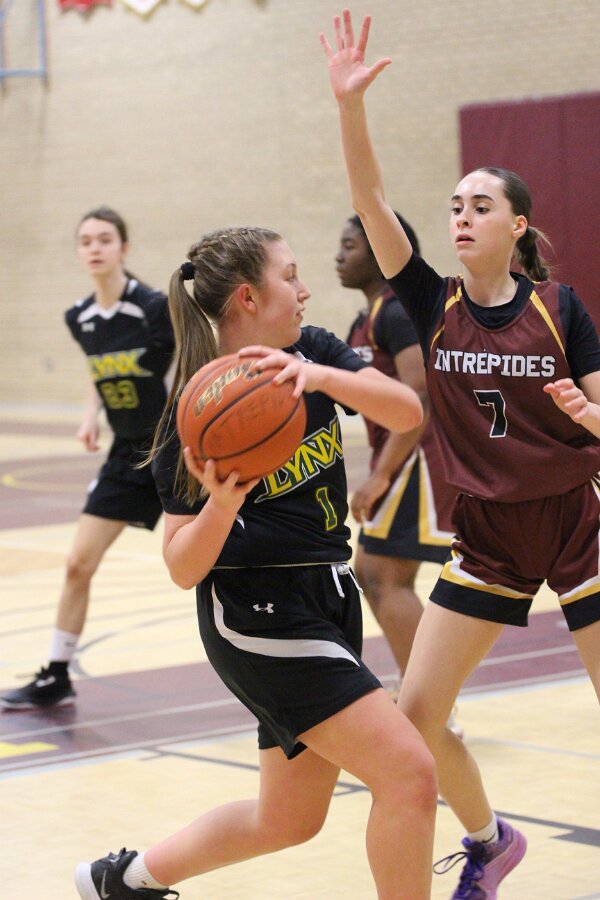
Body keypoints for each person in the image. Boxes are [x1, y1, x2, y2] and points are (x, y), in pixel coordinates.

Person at [321, 10, 600, 898]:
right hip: (487, 539)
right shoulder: (429, 301)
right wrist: (350, 107)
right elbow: (373, 202)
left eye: (482, 205)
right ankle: (489, 840)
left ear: (518, 225)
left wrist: (587, 412)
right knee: (416, 716)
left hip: (579, 526)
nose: (463, 215)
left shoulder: (561, 308)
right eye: (455, 205)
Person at [74, 225, 437, 900]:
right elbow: (182, 567)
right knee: (409, 774)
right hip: (257, 617)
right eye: (290, 276)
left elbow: (407, 409)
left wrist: (320, 377)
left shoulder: (314, 351)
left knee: (288, 819)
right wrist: (219, 504)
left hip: (329, 594)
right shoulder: (194, 413)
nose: (305, 290)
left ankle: (124, 881)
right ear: (248, 297)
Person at [1, 207, 174, 710]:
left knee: (218, 563)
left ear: (124, 247)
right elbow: (104, 370)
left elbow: (185, 365)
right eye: (86, 241)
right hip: (126, 451)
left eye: (104, 239)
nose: (94, 248)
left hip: (174, 447)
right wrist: (91, 413)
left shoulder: (153, 307)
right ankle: (57, 675)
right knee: (78, 563)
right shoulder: (78, 317)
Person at [337, 212, 456, 698]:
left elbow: (419, 393)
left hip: (420, 455)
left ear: (381, 251)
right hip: (400, 453)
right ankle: (422, 689)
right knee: (372, 572)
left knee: (385, 574)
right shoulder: (365, 319)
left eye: (350, 246)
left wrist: (381, 474)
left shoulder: (397, 311)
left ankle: (430, 701)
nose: (339, 256)